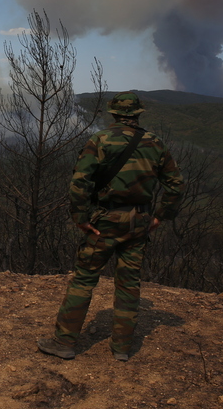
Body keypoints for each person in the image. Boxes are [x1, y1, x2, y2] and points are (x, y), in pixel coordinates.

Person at [37, 91, 184, 361]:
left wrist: (80, 218)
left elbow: (80, 183)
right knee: (128, 284)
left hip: (105, 222)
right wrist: (159, 216)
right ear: (138, 114)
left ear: (114, 113)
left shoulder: (100, 140)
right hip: (139, 222)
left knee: (84, 280)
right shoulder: (156, 143)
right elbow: (175, 185)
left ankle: (65, 342)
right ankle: (122, 348)